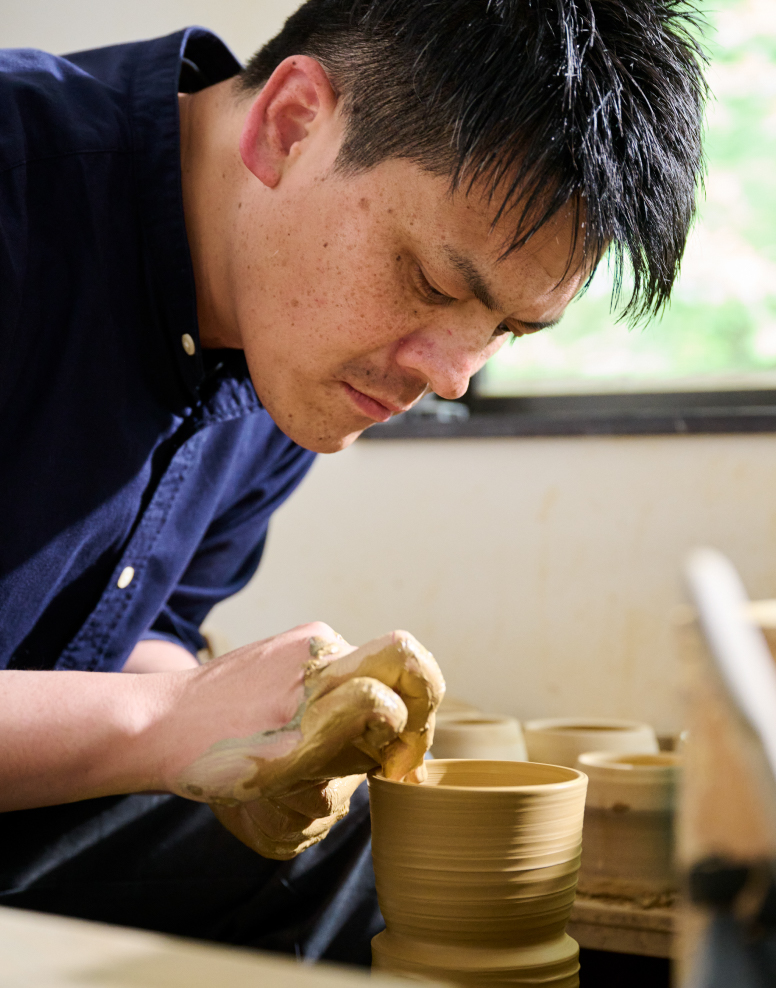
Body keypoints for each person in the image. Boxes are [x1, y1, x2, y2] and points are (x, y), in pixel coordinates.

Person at [0, 0, 706, 968]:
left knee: (364, 858)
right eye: (429, 281)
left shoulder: (298, 347)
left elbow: (128, 640)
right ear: (290, 124)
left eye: (506, 329)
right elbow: (133, 716)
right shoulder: (17, 182)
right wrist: (161, 721)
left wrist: (259, 730)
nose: (450, 373)